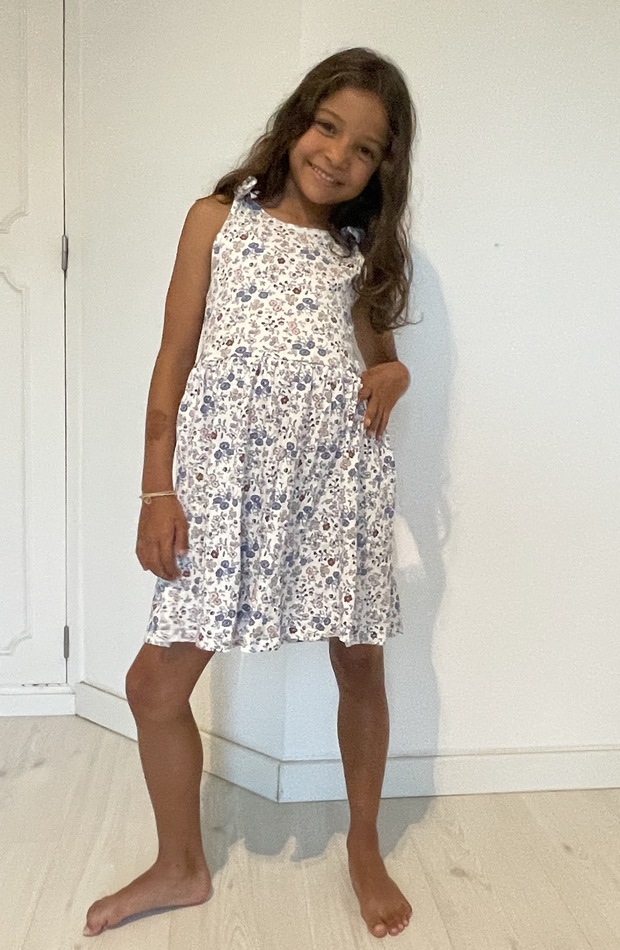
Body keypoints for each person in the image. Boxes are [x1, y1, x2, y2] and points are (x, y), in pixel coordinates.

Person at [84, 46, 417, 940]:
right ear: (297, 121)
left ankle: (363, 844)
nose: (338, 155)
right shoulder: (216, 220)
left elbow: (380, 360)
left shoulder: (356, 253)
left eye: (365, 148)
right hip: (227, 491)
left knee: (360, 664)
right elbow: (173, 358)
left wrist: (394, 373)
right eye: (328, 127)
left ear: (382, 168)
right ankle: (180, 865)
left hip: (334, 488)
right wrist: (157, 491)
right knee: (154, 686)